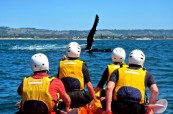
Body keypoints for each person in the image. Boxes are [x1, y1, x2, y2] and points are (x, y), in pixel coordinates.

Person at [105, 49, 159, 114]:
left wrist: (108, 109)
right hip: (137, 108)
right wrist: (148, 110)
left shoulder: (117, 71)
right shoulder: (147, 74)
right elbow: (155, 91)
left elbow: (109, 88)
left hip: (118, 106)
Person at [57, 42, 99, 108]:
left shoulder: (61, 64)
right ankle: (87, 107)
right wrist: (95, 99)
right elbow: (89, 86)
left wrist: (63, 61)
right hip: (80, 98)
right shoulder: (82, 64)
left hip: (65, 97)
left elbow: (58, 81)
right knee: (93, 92)